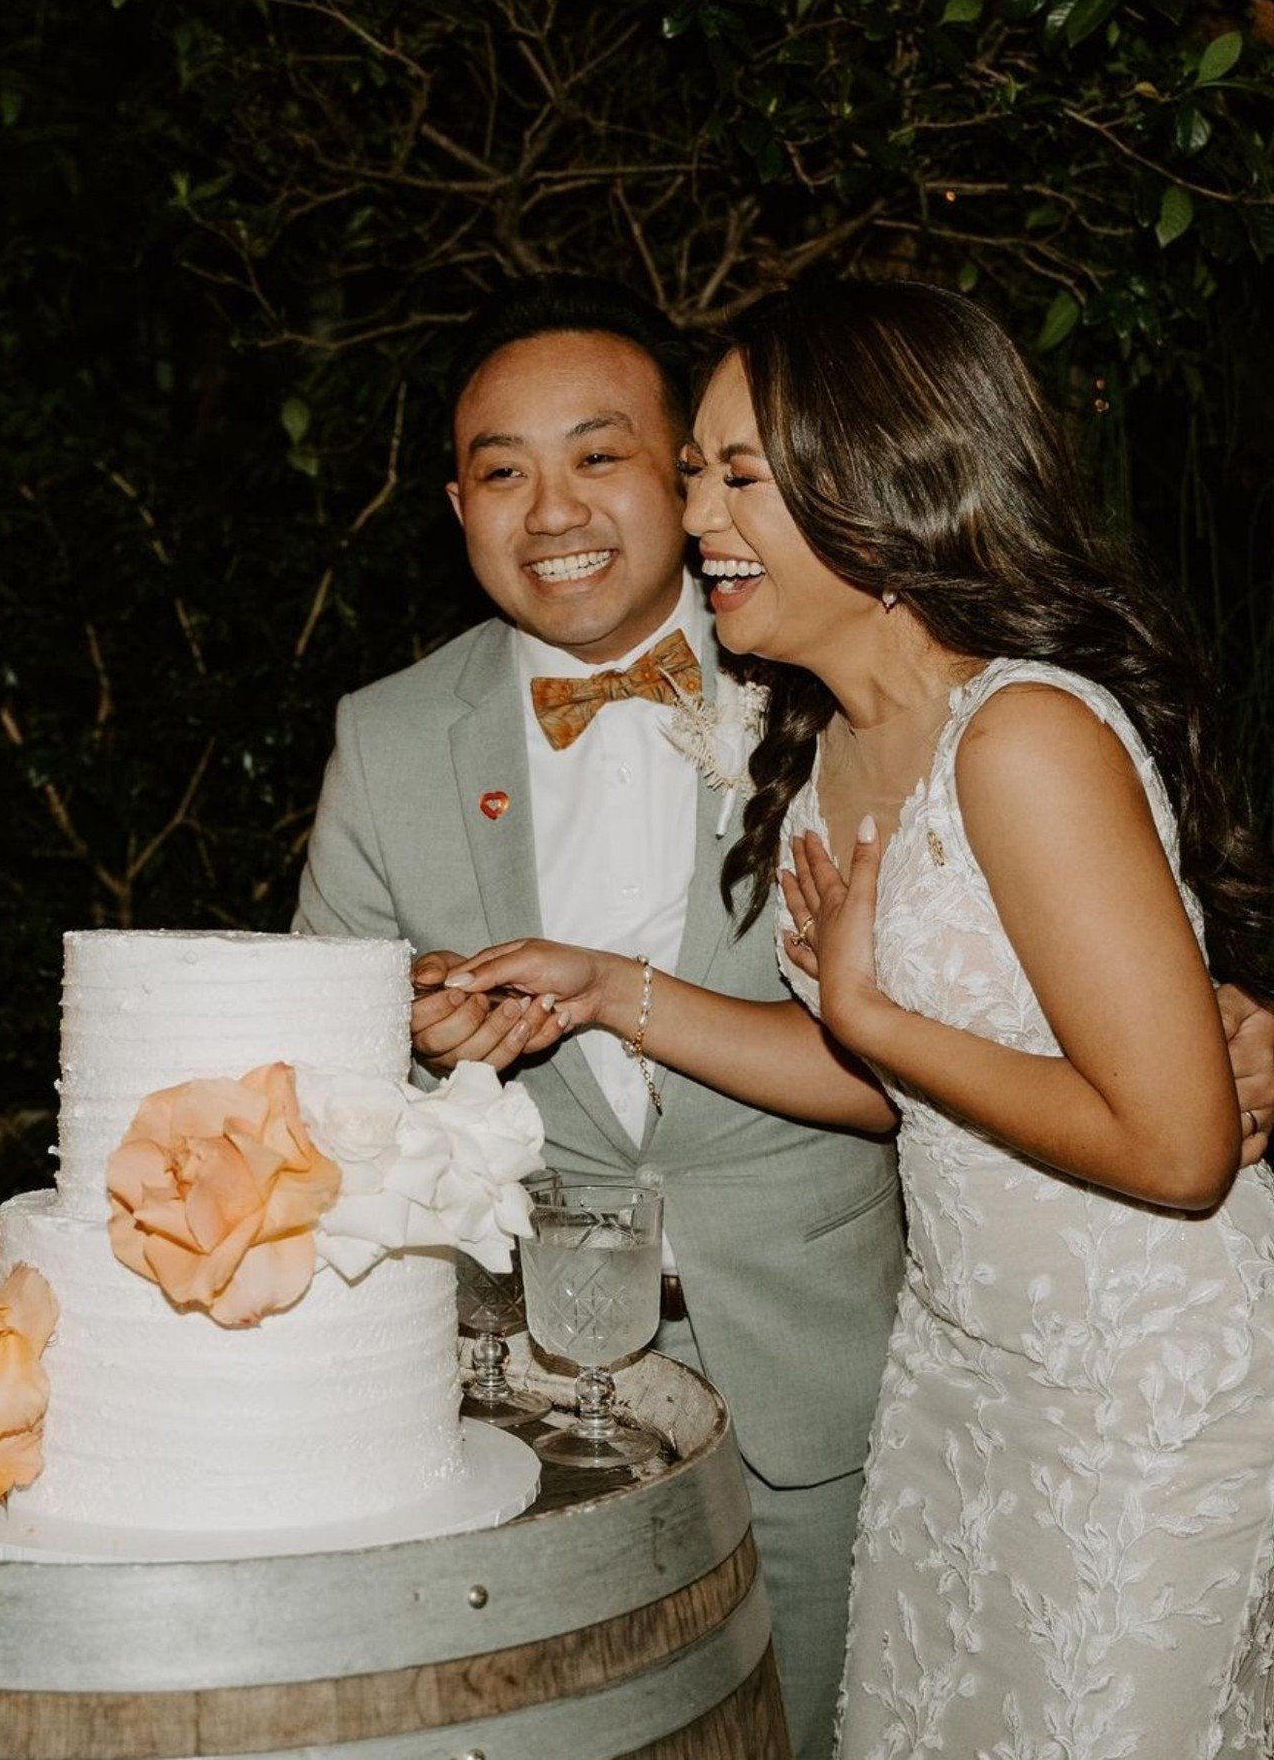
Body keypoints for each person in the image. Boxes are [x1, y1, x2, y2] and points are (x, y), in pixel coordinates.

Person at [443, 277, 1274, 1756]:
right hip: (961, 1372)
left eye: (740, 475)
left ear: (882, 482)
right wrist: (609, 987)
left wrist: (885, 1023)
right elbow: (888, 1084)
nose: (699, 517)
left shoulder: (1023, 734)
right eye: (696, 472)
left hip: (1138, 1384)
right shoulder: (834, 748)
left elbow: (1179, 1144)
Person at [295, 275, 906, 1760]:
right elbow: (311, 1054)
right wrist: (414, 1036)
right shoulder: (385, 737)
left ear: (687, 476)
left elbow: (1000, 939)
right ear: (457, 505)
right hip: (531, 1414)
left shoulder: (824, 667)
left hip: (828, 1372)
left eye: (600, 453)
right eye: (502, 470)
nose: (551, 507)